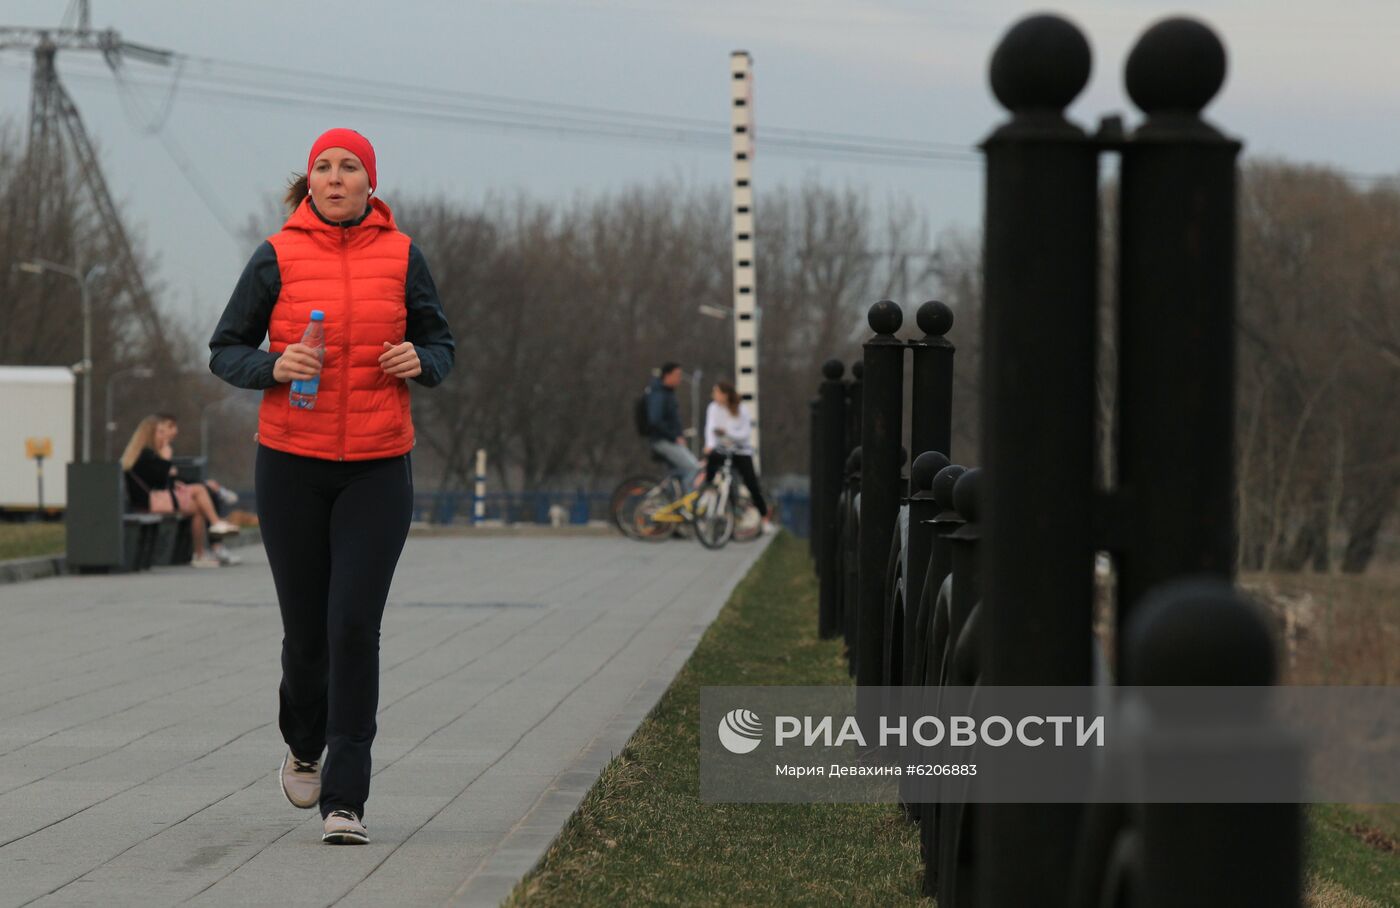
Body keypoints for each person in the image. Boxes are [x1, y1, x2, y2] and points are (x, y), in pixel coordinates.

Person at [208, 128, 455, 846]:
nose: (337, 176)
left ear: (369, 184)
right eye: (324, 166)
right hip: (291, 464)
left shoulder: (403, 255)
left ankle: (345, 799)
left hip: (379, 465)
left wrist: (423, 360)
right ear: (308, 182)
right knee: (308, 636)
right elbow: (225, 348)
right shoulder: (276, 254)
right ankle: (302, 743)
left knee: (353, 627)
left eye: (351, 167)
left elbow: (441, 342)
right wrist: (274, 367)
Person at [120, 414, 241, 568]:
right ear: (150, 434)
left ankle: (199, 555)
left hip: (154, 499)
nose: (165, 436)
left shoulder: (147, 454)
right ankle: (216, 523)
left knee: (198, 508)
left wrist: (173, 477)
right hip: (147, 502)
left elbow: (161, 481)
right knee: (199, 490)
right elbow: (159, 481)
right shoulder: (144, 454)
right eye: (161, 432)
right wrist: (166, 460)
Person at [702, 380, 771, 531]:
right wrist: (710, 445)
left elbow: (745, 434)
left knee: (751, 484)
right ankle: (708, 491)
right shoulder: (712, 408)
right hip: (722, 449)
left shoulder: (741, 409)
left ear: (725, 395)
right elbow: (710, 429)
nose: (714, 396)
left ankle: (764, 518)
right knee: (711, 463)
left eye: (717, 393)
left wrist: (727, 433)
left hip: (740, 451)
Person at [645, 362, 699, 489]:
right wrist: (674, 437)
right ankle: (688, 504)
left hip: (669, 439)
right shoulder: (659, 394)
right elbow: (655, 420)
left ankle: (672, 501)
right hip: (663, 440)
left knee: (677, 473)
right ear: (667, 375)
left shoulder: (667, 393)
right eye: (677, 375)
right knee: (693, 468)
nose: (679, 378)